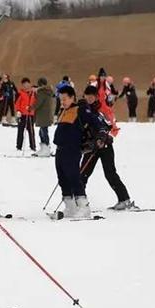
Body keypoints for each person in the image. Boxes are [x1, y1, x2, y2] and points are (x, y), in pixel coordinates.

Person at [80, 85, 135, 211]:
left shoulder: (103, 109)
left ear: (96, 97)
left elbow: (111, 127)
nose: (89, 99)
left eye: (91, 97)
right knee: (82, 173)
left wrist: (105, 137)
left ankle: (124, 199)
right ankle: (79, 199)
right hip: (91, 146)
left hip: (105, 146)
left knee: (110, 174)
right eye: (87, 96)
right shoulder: (83, 109)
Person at [53, 85, 101, 218]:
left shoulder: (80, 110)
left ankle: (84, 207)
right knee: (62, 178)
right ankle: (70, 207)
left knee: (73, 177)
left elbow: (95, 122)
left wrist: (101, 134)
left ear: (72, 97)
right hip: (60, 150)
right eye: (60, 99)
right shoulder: (64, 111)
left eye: (64, 99)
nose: (62, 102)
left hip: (72, 149)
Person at [31, 77, 54, 157]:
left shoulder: (42, 92)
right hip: (46, 114)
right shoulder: (47, 91)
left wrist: (31, 108)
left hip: (42, 115)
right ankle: (44, 148)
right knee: (42, 131)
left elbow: (38, 103)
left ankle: (46, 148)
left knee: (43, 132)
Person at [14, 77, 36, 155]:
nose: (26, 86)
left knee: (31, 131)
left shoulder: (33, 93)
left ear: (29, 84)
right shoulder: (20, 93)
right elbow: (17, 103)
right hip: (22, 114)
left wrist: (32, 108)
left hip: (30, 114)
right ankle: (19, 146)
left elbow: (36, 103)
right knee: (20, 130)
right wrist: (18, 111)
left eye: (27, 84)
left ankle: (33, 146)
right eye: (24, 84)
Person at [96, 68, 119, 135]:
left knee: (110, 113)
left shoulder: (106, 84)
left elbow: (109, 93)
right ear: (99, 76)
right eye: (101, 76)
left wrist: (109, 99)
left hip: (103, 103)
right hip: (96, 103)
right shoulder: (96, 83)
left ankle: (113, 128)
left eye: (104, 76)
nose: (103, 78)